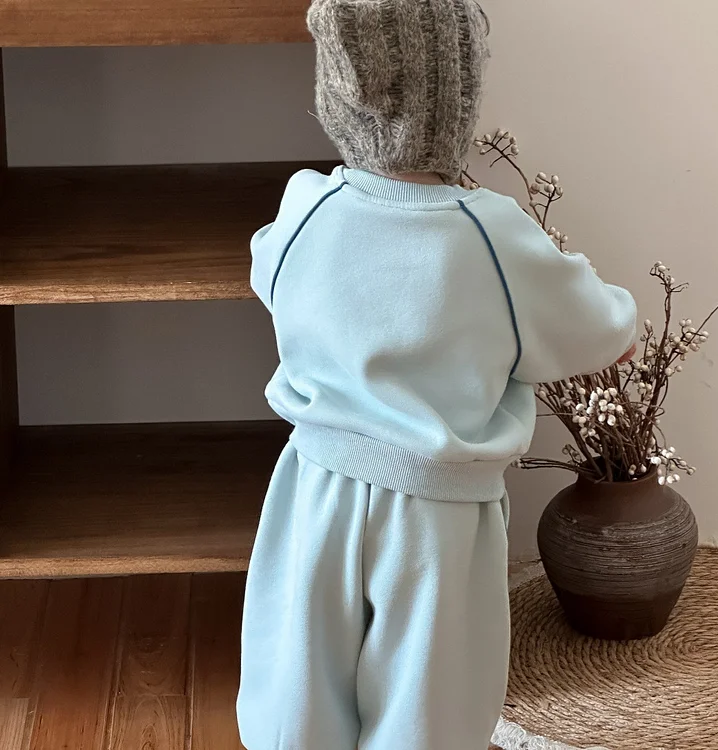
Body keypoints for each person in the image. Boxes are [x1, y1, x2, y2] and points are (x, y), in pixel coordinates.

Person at [236, 1, 637, 749]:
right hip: (434, 517)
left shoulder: (306, 209)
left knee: (297, 680)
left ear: (338, 93)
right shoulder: (491, 234)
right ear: (459, 96)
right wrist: (622, 322)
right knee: (430, 701)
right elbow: (597, 328)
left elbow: (268, 271)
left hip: (315, 489)